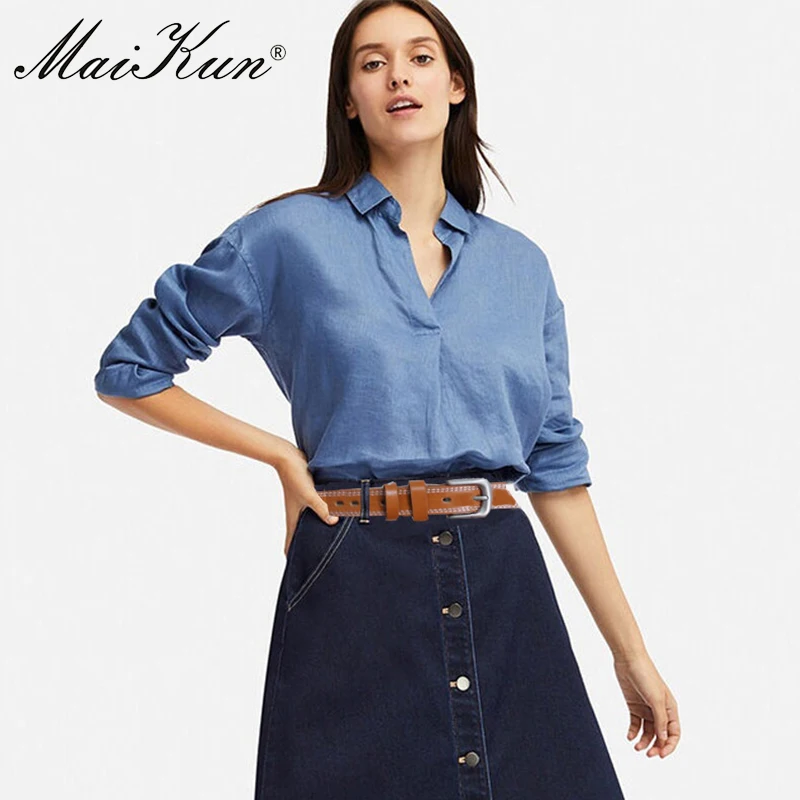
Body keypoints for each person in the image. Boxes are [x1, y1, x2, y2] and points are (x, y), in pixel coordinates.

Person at [94, 1, 680, 797]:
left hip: (505, 579)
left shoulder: (521, 267)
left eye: (420, 57)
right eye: (372, 63)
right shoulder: (286, 237)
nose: (398, 75)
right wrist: (278, 454)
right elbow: (130, 369)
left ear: (457, 84)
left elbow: (556, 470)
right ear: (349, 99)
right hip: (353, 569)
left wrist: (630, 652)